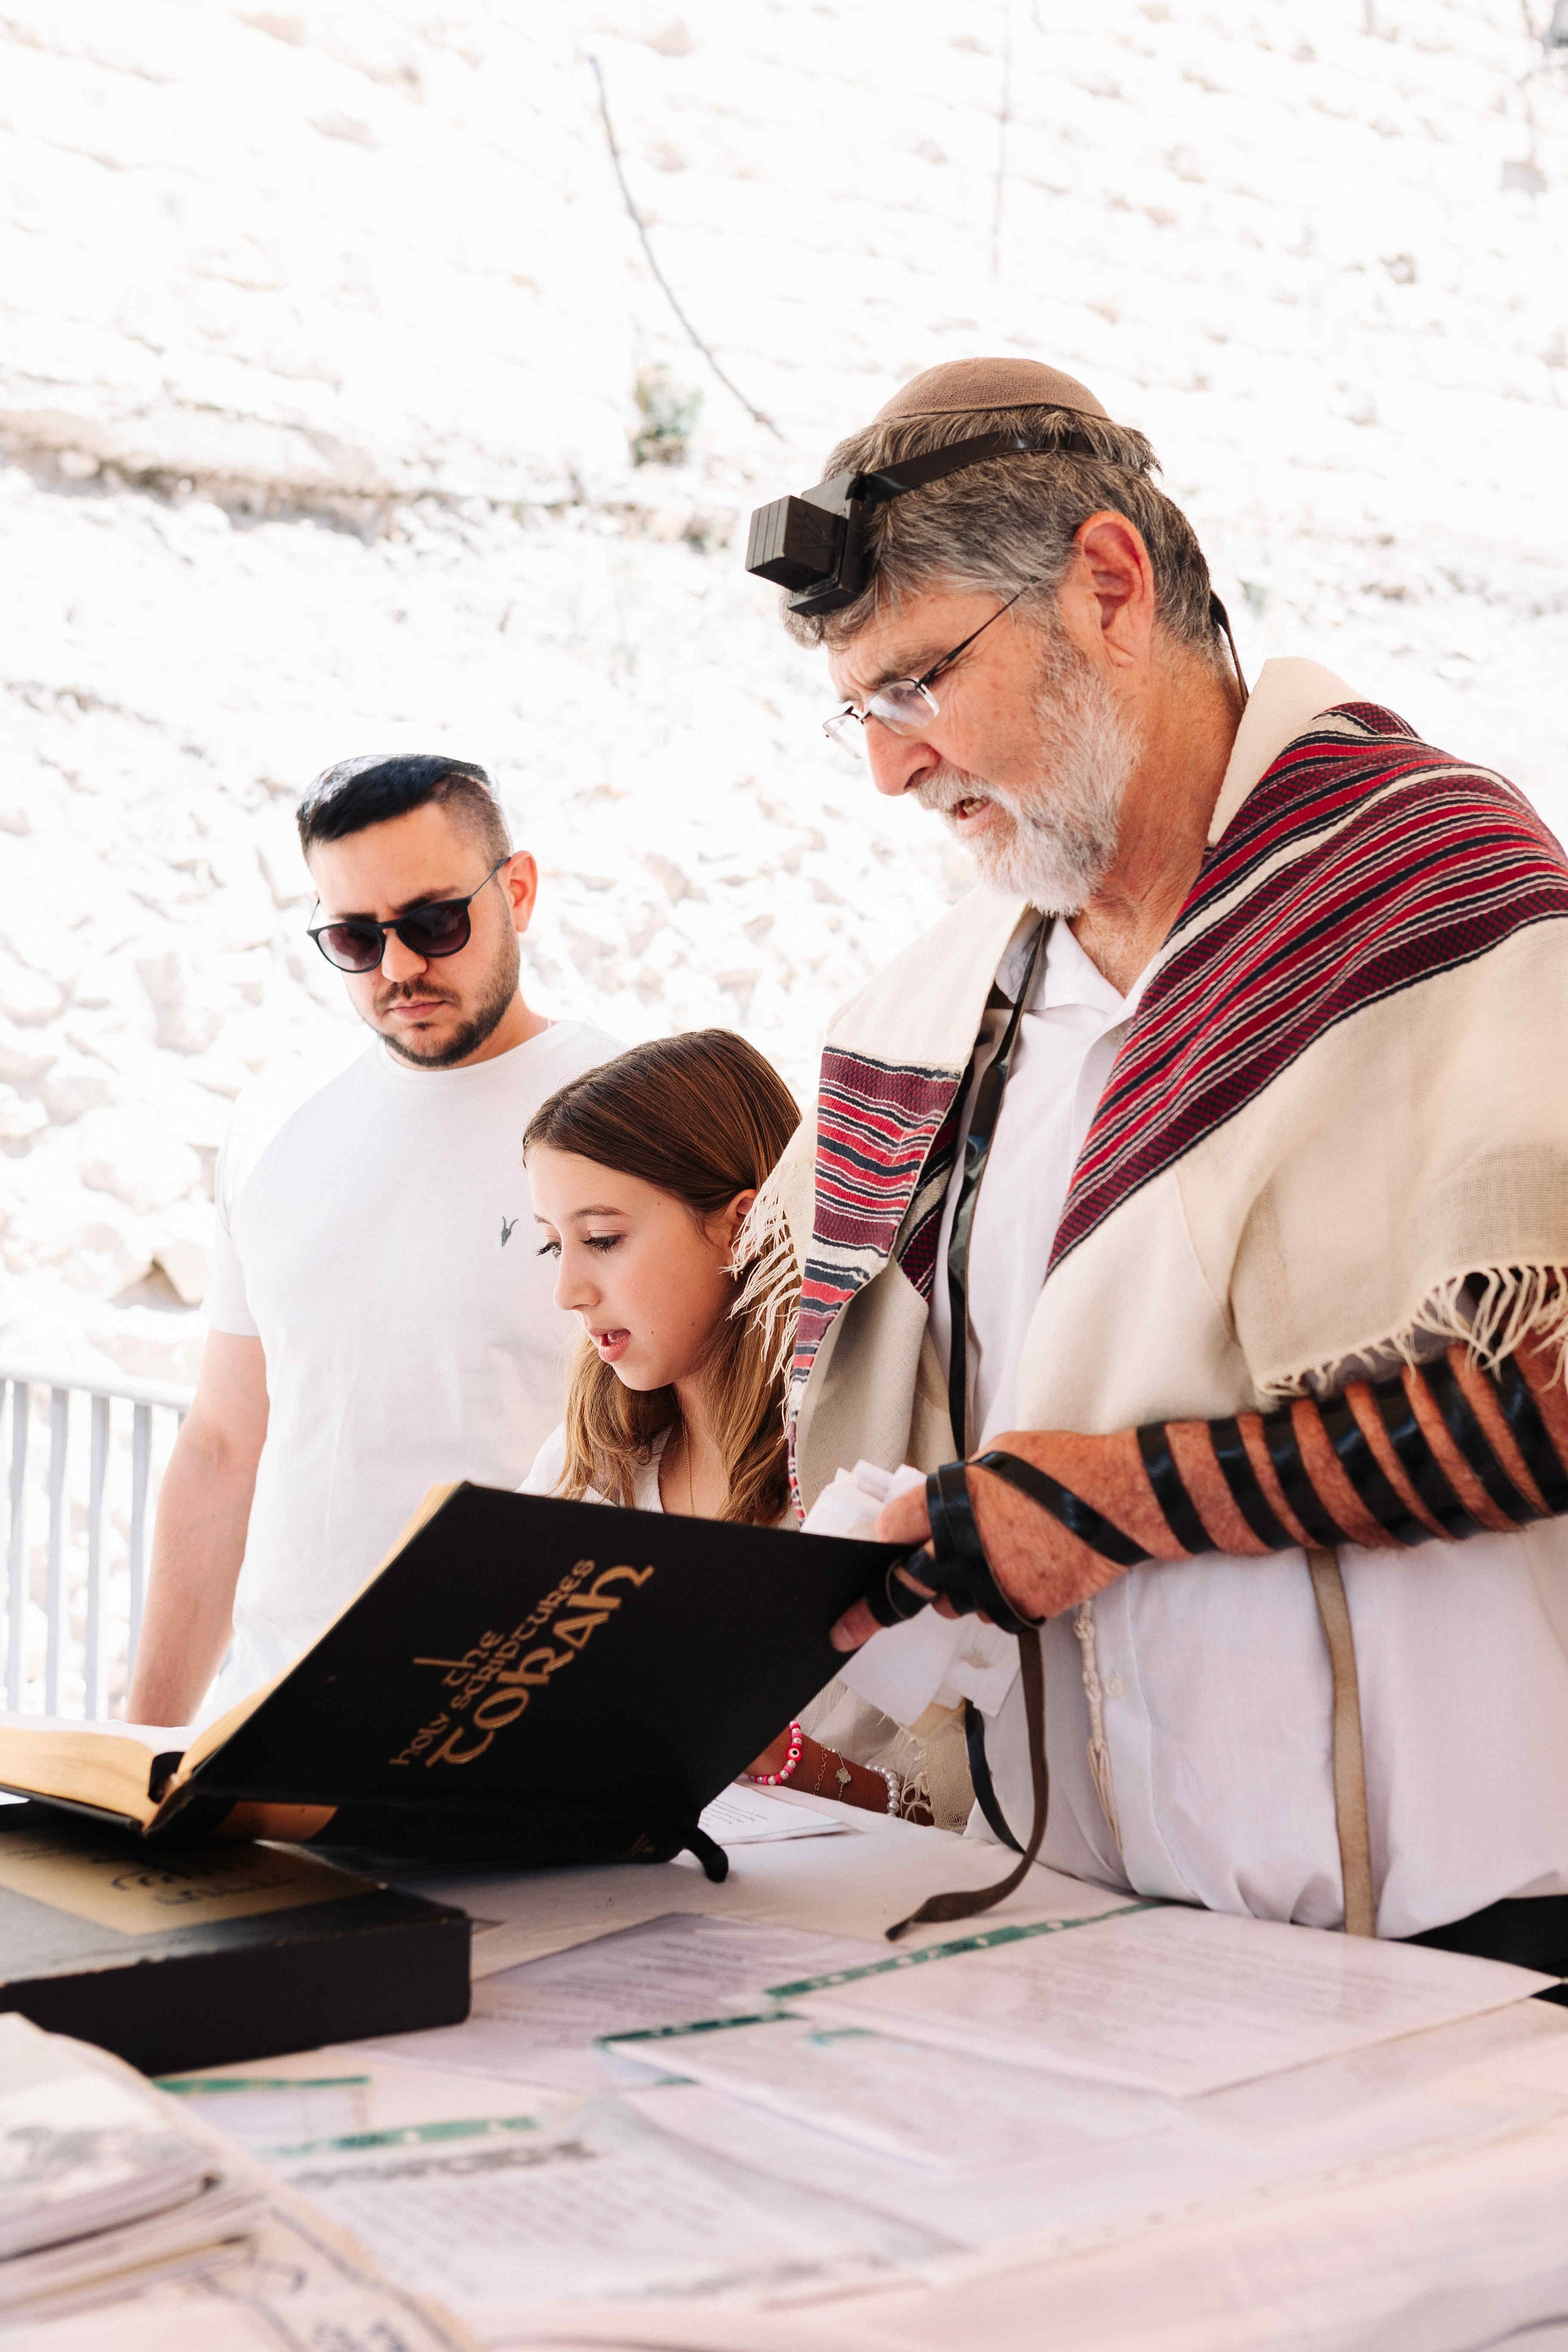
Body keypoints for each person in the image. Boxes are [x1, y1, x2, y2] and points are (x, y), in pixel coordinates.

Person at [744, 354, 1568, 1969]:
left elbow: (1551, 1391)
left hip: (1461, 1926)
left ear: (1108, 585)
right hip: (1081, 1928)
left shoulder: (1442, 904)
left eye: (917, 684)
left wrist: (1122, 1499)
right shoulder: (941, 1028)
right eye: (860, 709)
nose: (889, 769)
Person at [127, 754, 620, 1728]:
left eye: (435, 922)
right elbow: (226, 1447)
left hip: (514, 1734)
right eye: (356, 937)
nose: (399, 968)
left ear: (516, 891)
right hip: (265, 1719)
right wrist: (142, 1748)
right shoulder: (274, 1119)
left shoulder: (627, 1116)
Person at [519, 1029, 931, 1820]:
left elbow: (980, 1817)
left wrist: (791, 1764)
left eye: (602, 1239)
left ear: (744, 1227)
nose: (568, 1289)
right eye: (553, 1247)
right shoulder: (581, 1474)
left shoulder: (872, 1477)